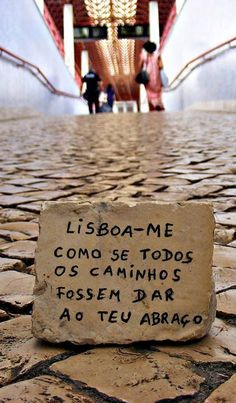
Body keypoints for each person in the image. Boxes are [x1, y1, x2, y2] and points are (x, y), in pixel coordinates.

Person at [139, 41, 164, 112]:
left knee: (149, 94)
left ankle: (152, 108)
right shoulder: (157, 55)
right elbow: (161, 66)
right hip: (157, 77)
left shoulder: (144, 56)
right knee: (158, 93)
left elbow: (140, 66)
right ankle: (159, 105)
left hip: (148, 77)